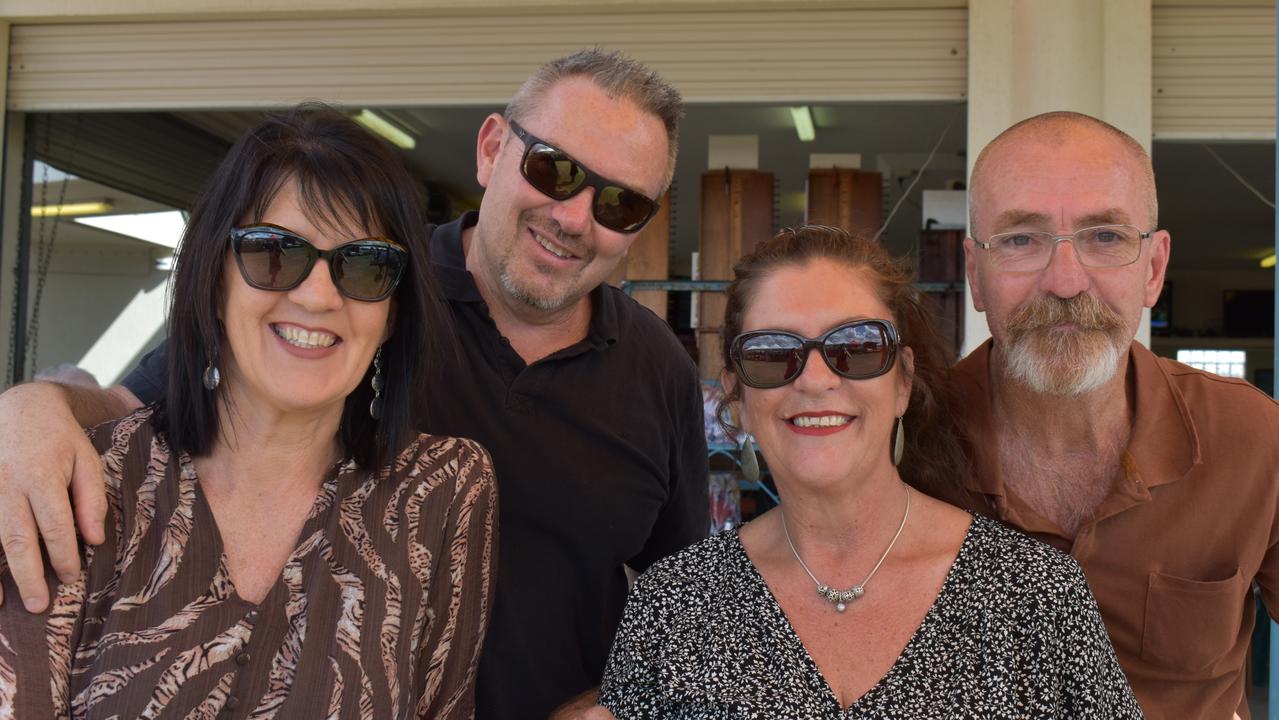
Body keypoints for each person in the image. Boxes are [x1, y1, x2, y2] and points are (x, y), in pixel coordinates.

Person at [0, 49, 708, 719]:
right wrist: (33, 406)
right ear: (493, 149)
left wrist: (618, 704)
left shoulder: (655, 371)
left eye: (619, 205)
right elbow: (144, 403)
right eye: (554, 170)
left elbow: (685, 595)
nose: (574, 217)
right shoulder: (369, 279)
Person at [0, 104, 496, 717]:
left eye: (366, 265)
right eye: (274, 253)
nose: (317, 296)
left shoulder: (440, 492)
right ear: (214, 280)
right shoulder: (80, 483)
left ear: (393, 312)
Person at [598, 226, 1142, 718]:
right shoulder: (673, 607)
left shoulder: (1036, 597)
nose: (814, 380)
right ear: (737, 395)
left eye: (854, 347)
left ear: (902, 381)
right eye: (771, 352)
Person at [951, 110, 1279, 718]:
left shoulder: (1255, 439)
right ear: (975, 273)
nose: (1066, 282)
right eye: (1022, 239)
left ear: (1153, 268)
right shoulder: (905, 444)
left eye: (1106, 236)